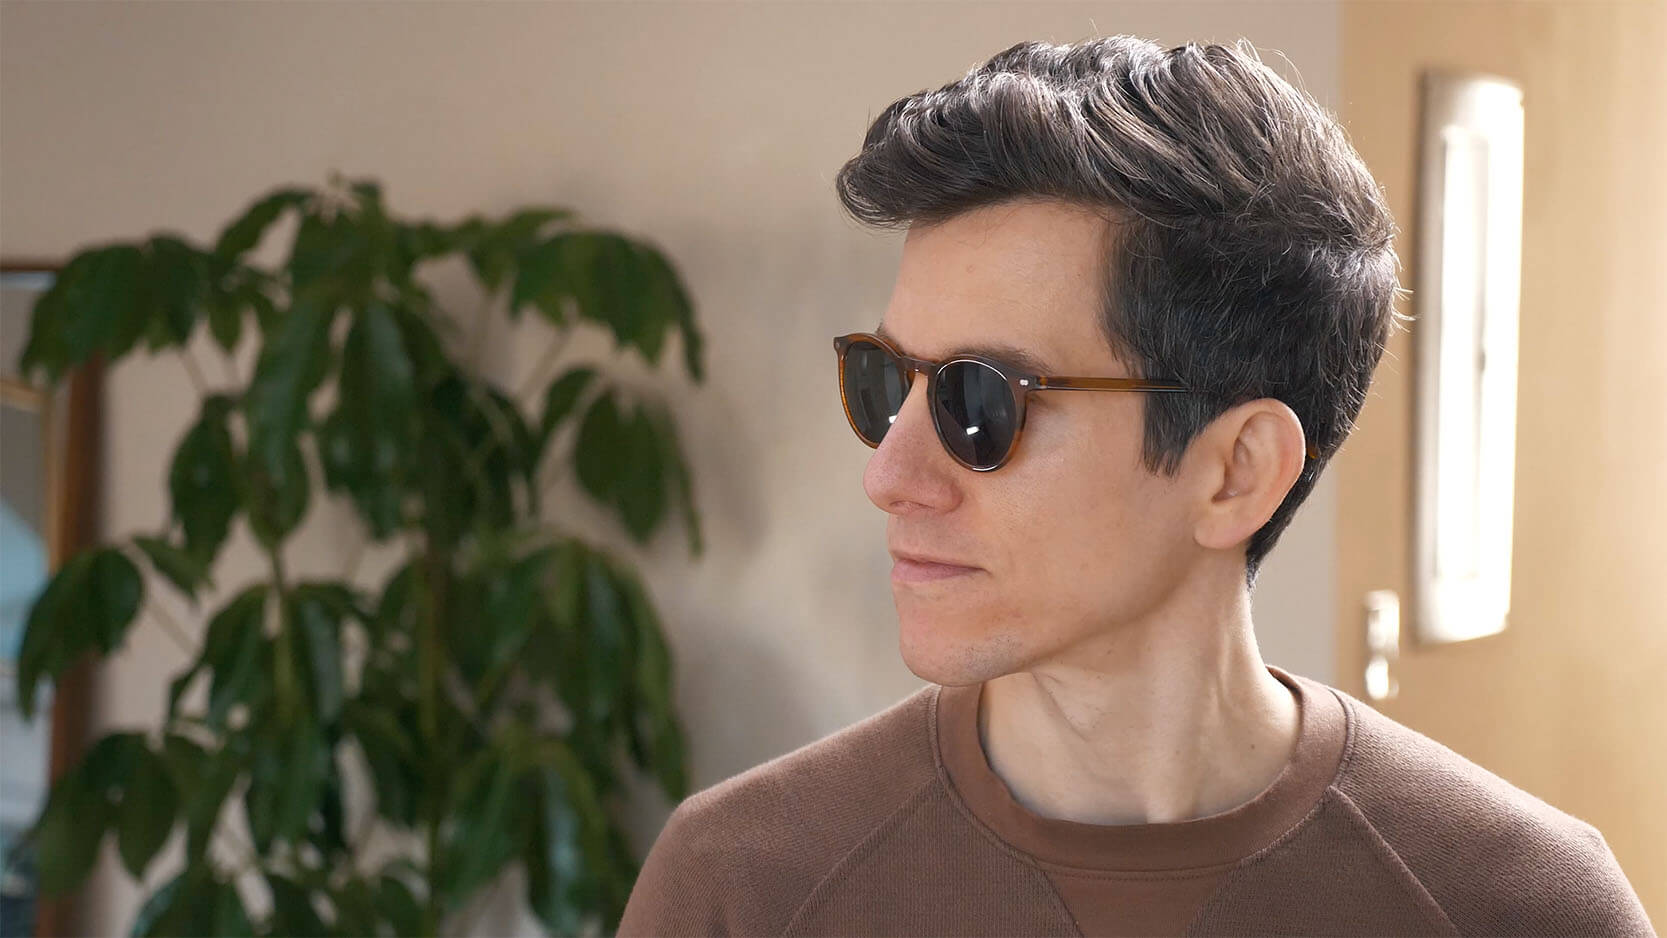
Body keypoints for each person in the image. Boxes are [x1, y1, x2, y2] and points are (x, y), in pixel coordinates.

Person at [616, 35, 1655, 937]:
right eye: (885, 382)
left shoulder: (1523, 908)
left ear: (1236, 472)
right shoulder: (740, 887)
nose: (889, 474)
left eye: (980, 402)